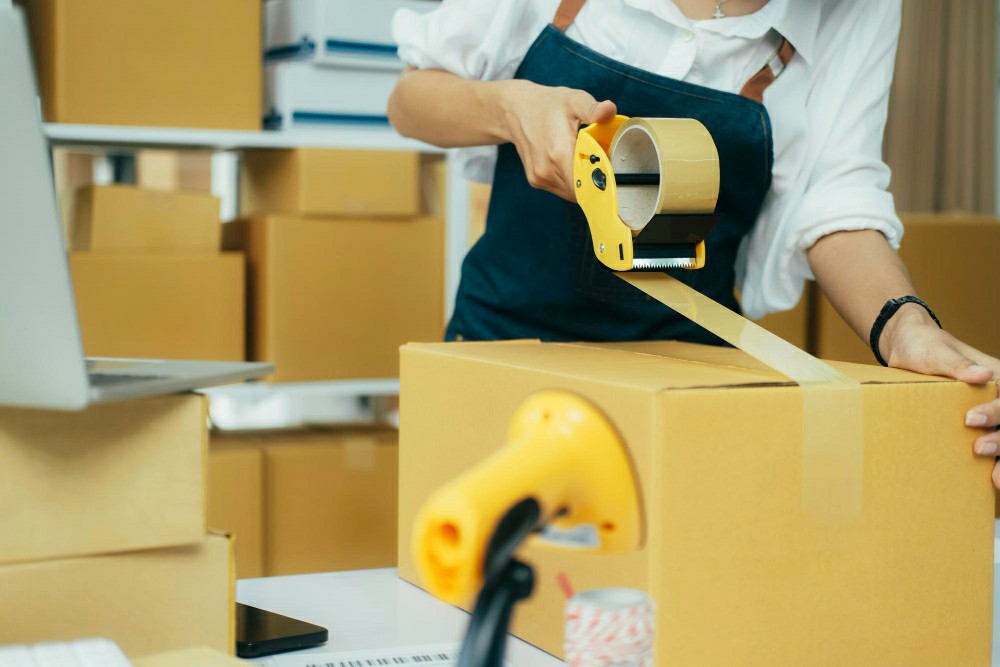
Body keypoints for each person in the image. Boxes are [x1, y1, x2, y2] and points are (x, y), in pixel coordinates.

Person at [387, 0, 1000, 484]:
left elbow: (835, 197)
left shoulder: (854, 8)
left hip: (687, 394)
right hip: (500, 364)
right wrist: (508, 106)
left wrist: (904, 327)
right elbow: (410, 99)